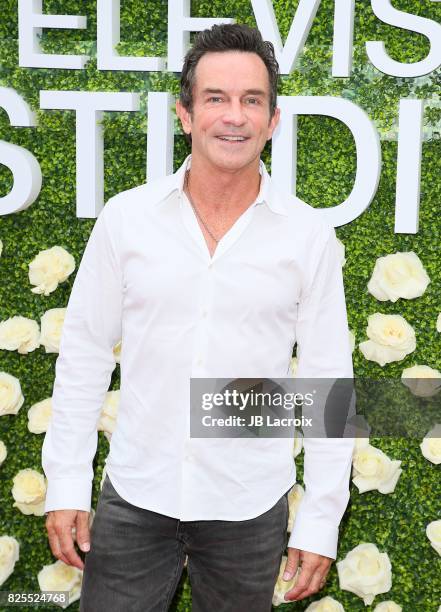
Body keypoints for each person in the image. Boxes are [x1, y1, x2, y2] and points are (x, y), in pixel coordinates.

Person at [42, 23, 354, 611]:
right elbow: (84, 353)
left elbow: (327, 383)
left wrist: (320, 520)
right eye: (216, 98)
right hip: (136, 498)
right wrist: (65, 484)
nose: (233, 116)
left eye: (251, 100)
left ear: (273, 119)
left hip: (248, 507)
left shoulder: (308, 236)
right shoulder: (127, 219)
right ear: (184, 115)